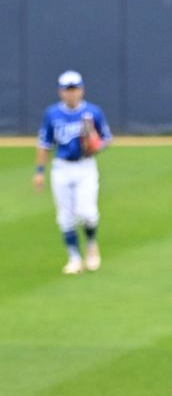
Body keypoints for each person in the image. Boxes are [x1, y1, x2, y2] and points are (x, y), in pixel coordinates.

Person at [32, 70, 112, 275]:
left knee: (88, 214)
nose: (71, 93)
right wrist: (39, 171)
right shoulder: (52, 114)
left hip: (85, 167)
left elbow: (107, 138)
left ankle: (91, 245)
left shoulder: (92, 112)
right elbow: (44, 143)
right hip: (62, 167)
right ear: (60, 92)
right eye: (67, 90)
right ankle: (74, 258)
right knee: (65, 217)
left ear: (81, 90)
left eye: (74, 89)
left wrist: (97, 146)